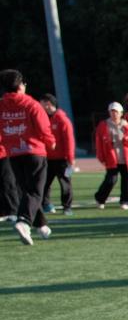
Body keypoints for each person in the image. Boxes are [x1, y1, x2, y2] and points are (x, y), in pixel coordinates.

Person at [0, 69, 56, 244]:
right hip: (34, 152)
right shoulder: (31, 104)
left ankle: (41, 225)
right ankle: (24, 221)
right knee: (35, 191)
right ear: (19, 85)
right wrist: (51, 142)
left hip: (13, 153)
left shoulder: (1, 105)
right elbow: (43, 127)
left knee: (27, 191)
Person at [94, 102, 128, 211]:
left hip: (126, 158)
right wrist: (101, 157)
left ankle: (125, 201)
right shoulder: (104, 125)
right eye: (112, 111)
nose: (114, 114)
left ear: (121, 113)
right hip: (112, 158)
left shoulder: (126, 125)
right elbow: (99, 142)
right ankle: (100, 199)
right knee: (111, 180)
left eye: (116, 112)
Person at [39, 93, 76, 215]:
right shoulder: (43, 118)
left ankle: (67, 207)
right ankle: (46, 205)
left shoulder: (63, 120)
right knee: (44, 183)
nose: (40, 106)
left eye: (42, 104)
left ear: (48, 104)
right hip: (47, 158)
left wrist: (70, 158)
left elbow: (69, 140)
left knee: (65, 183)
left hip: (62, 159)